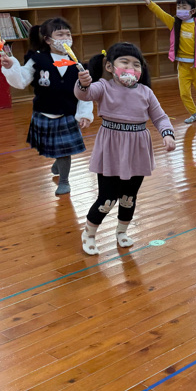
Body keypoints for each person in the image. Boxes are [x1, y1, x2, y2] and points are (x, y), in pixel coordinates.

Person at [75, 43, 175, 255]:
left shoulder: (146, 92)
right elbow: (85, 94)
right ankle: (89, 233)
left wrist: (167, 133)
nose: (131, 68)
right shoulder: (104, 86)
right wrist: (83, 84)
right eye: (125, 62)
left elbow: (160, 117)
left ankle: (122, 231)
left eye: (136, 64)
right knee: (107, 198)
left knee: (129, 197)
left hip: (137, 150)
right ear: (110, 67)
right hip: (111, 149)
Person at [0, 17, 92, 196]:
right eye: (60, 34)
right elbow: (21, 81)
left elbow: (85, 92)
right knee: (54, 146)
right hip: (45, 113)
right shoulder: (37, 59)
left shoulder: (76, 63)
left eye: (68, 34)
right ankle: (59, 161)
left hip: (67, 114)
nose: (65, 38)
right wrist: (12, 67)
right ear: (48, 40)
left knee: (65, 150)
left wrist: (85, 114)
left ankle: (64, 180)